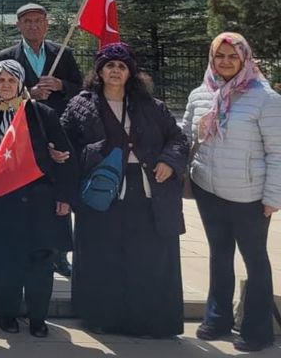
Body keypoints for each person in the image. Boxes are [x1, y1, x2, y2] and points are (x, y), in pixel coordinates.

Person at [61, 42, 187, 338]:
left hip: (146, 190)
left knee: (147, 257)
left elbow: (178, 139)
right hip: (101, 191)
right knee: (104, 256)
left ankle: (148, 322)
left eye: (121, 66)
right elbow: (64, 143)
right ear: (99, 71)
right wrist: (89, 154)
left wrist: (169, 161)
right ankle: (104, 318)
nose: (115, 71)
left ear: (131, 72)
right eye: (109, 66)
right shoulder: (80, 105)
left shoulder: (152, 106)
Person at [182, 33, 280, 352]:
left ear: (244, 58)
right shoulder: (200, 94)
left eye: (232, 56)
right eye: (219, 56)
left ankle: (257, 330)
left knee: (255, 260)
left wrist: (273, 196)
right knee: (219, 254)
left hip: (249, 195)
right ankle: (217, 318)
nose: (225, 62)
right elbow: (185, 137)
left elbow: (277, 151)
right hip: (208, 189)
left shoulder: (264, 98)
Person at [0, 60, 74, 337]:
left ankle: (38, 318)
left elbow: (65, 156)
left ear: (21, 83)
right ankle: (7, 315)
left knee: (40, 261)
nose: (6, 85)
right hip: (3, 202)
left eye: (11, 80)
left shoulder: (41, 113)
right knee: (6, 261)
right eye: (0, 80)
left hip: (39, 202)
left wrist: (65, 196)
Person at [0, 3, 82, 279]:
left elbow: (80, 89)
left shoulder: (62, 54)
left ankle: (60, 255)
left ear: (46, 23)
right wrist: (28, 93)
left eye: (38, 20)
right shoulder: (5, 57)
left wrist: (61, 86)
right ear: (18, 25)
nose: (33, 25)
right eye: (27, 21)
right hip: (22, 138)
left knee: (58, 196)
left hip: (57, 134)